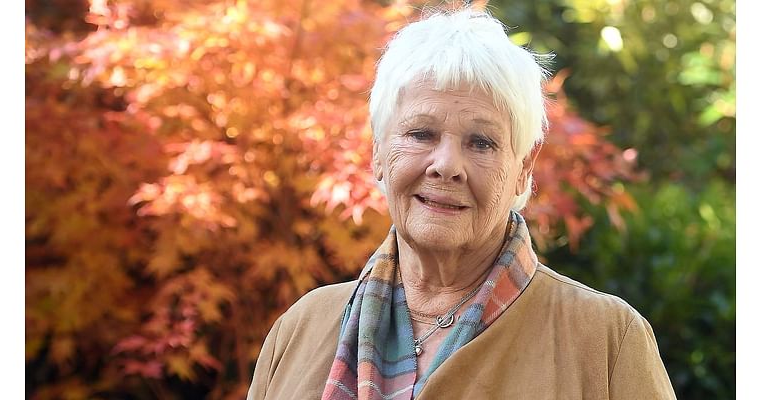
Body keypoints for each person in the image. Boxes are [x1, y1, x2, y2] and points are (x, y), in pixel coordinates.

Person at [247, 7, 675, 400]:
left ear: (523, 169)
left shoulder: (606, 341)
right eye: (421, 134)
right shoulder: (299, 329)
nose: (446, 165)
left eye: (481, 142)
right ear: (378, 152)